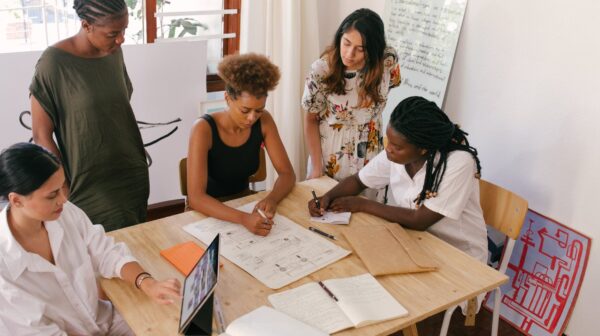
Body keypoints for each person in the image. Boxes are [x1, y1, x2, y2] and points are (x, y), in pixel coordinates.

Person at [0, 142, 181, 335]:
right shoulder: (5, 268)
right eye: (52, 195)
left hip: (107, 322)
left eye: (62, 187)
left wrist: (147, 282)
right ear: (16, 200)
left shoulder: (65, 213)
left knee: (174, 322)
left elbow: (105, 252)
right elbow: (38, 331)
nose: (63, 199)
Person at [308, 96, 488, 264]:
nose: (388, 149)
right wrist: (327, 197)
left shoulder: (458, 162)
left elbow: (420, 220)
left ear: (423, 149)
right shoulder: (397, 155)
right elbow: (359, 181)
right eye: (389, 142)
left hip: (460, 257)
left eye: (396, 147)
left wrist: (362, 204)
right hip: (416, 242)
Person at [30, 0, 149, 231]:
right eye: (113, 33)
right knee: (96, 254)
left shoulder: (113, 51)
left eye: (124, 30)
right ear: (86, 25)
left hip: (130, 171)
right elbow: (41, 134)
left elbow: (116, 108)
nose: (121, 39)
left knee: (134, 246)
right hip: (87, 181)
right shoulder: (53, 63)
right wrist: (61, 183)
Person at [187, 53, 296, 237]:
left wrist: (272, 199)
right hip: (206, 213)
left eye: (259, 110)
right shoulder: (203, 129)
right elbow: (196, 198)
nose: (252, 118)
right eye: (245, 110)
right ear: (228, 99)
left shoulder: (264, 121)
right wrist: (243, 219)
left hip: (244, 204)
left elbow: (287, 174)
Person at [303, 8, 401, 184]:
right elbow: (311, 120)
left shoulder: (387, 61)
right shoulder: (321, 70)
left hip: (372, 156)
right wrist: (317, 167)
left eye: (360, 49)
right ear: (340, 36)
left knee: (367, 210)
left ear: (373, 49)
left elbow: (387, 90)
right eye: (346, 43)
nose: (349, 54)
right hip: (331, 158)